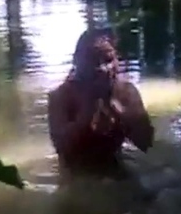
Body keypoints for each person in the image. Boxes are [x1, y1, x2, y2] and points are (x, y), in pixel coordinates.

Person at [47, 28, 154, 183]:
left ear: (117, 60)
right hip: (75, 175)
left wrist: (118, 110)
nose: (103, 69)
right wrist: (87, 113)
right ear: (77, 62)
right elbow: (61, 148)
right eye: (92, 61)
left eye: (108, 60)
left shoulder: (126, 92)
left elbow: (146, 143)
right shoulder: (61, 96)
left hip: (115, 166)